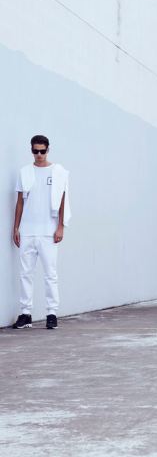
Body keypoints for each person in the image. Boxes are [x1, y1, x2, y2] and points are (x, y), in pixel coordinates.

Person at [12, 135, 71, 329]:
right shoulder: (24, 172)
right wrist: (16, 228)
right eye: (35, 151)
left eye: (42, 151)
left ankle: (51, 313)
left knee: (50, 274)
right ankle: (25, 314)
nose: (39, 154)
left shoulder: (58, 172)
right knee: (25, 274)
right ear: (31, 150)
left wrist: (60, 226)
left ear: (48, 150)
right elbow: (20, 202)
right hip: (27, 230)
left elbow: (62, 200)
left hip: (48, 231)